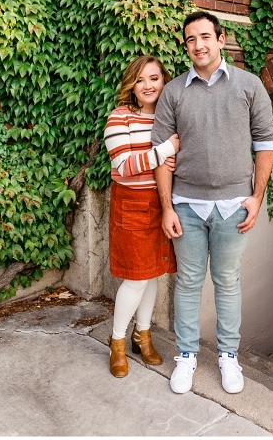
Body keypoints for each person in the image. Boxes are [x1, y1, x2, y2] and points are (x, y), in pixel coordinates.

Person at [151, 11, 273, 395]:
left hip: (234, 207)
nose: (198, 45)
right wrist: (167, 208)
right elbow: (161, 155)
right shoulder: (174, 92)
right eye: (191, 39)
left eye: (205, 36)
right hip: (186, 206)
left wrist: (256, 198)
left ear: (221, 40)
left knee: (227, 282)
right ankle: (186, 356)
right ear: (185, 45)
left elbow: (265, 143)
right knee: (188, 283)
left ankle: (228, 357)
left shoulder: (249, 85)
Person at [104, 55, 179, 378]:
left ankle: (142, 336)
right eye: (140, 80)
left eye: (154, 78)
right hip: (131, 204)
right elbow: (123, 165)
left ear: (164, 81)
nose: (148, 85)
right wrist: (164, 152)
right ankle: (117, 342)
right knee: (136, 278)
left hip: (161, 203)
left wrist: (170, 158)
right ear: (131, 86)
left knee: (153, 274)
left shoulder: (168, 118)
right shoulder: (119, 117)